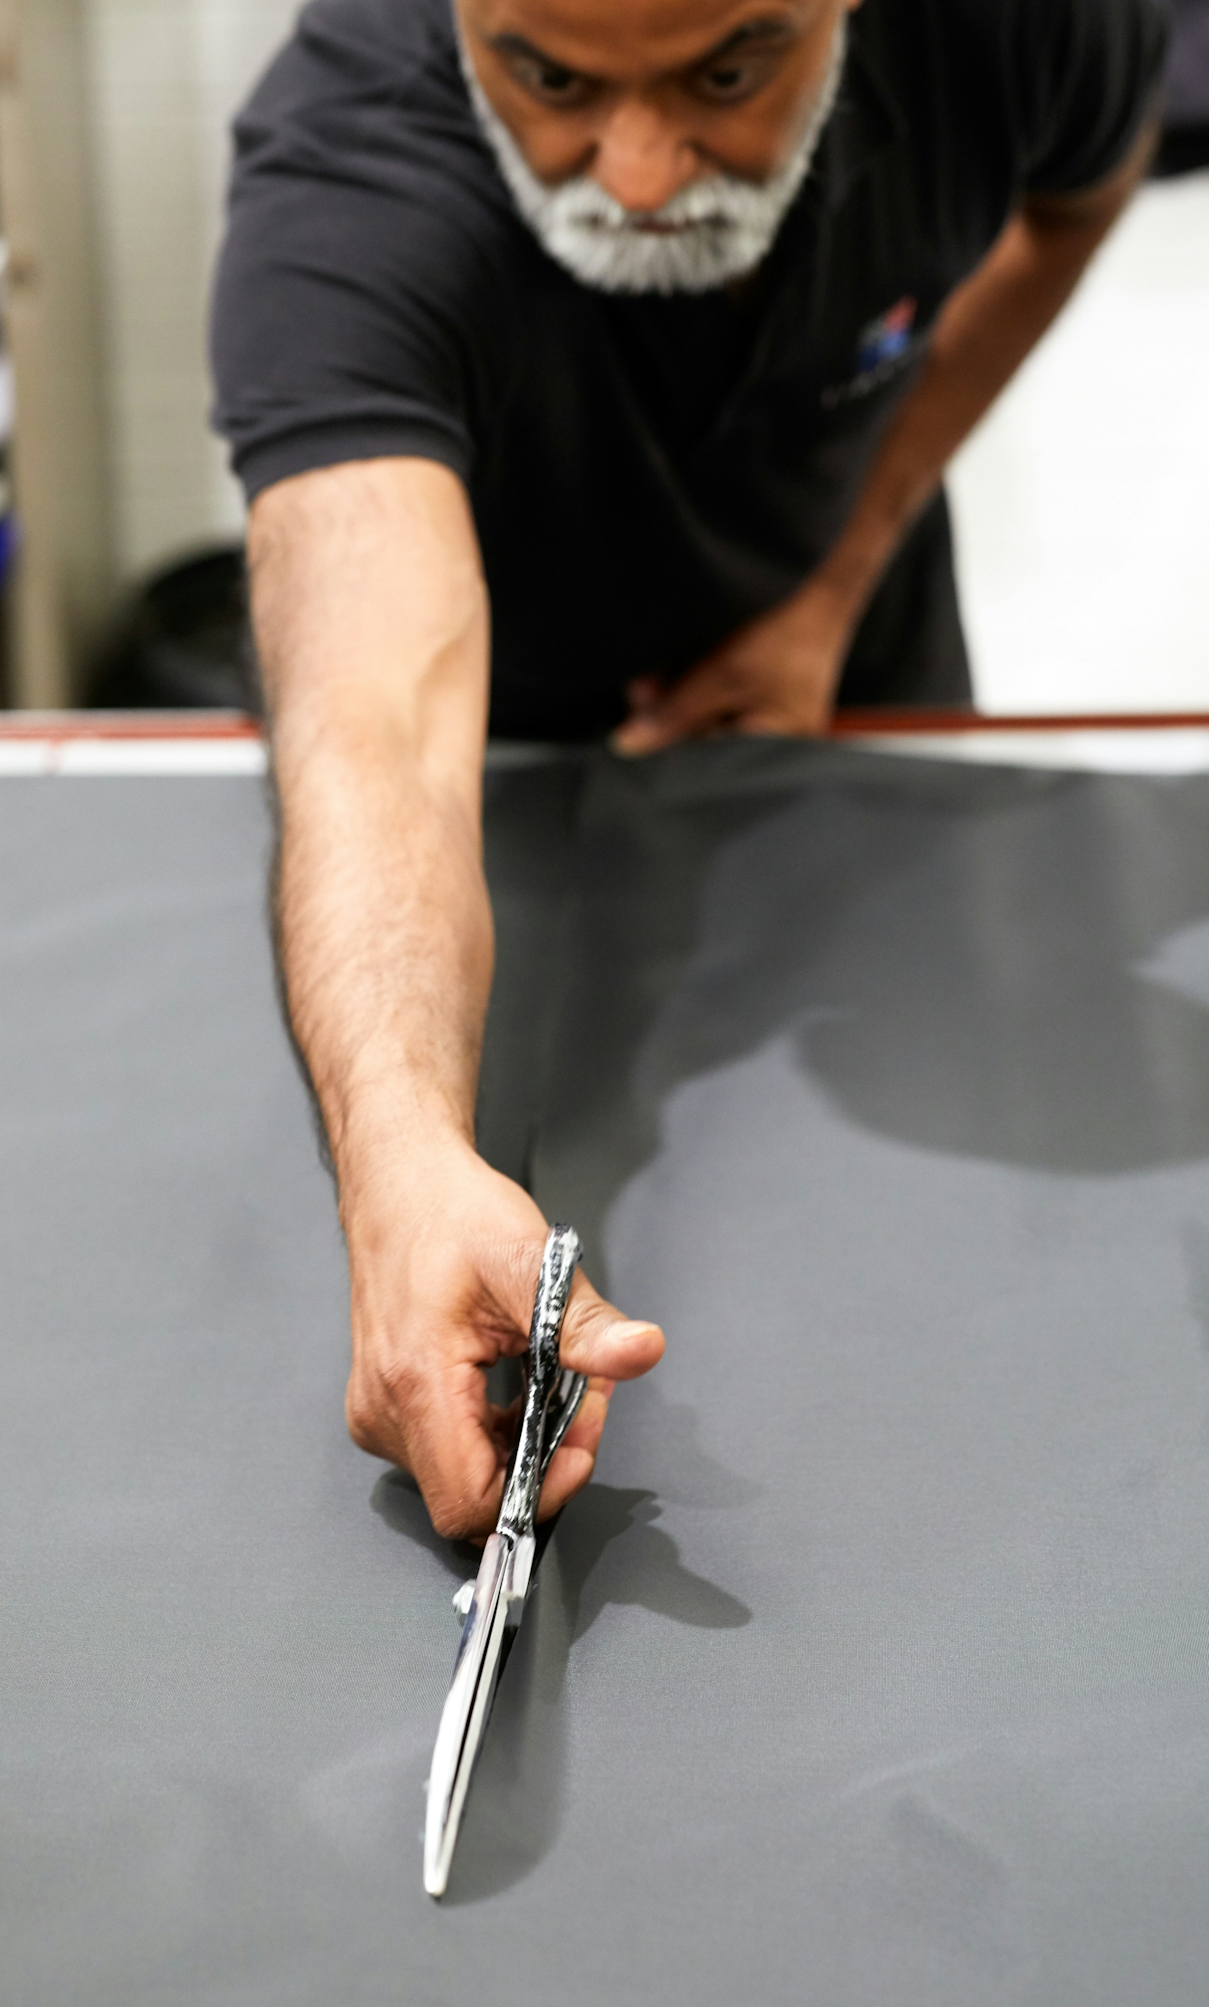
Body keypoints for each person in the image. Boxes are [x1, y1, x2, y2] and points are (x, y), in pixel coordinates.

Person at [211, 0, 1164, 1539]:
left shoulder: (1021, 26)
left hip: (844, 688)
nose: (642, 174)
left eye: (728, 71)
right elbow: (377, 721)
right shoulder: (346, 197)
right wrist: (398, 1162)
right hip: (492, 764)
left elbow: (1075, 194)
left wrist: (836, 585)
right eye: (550, 78)